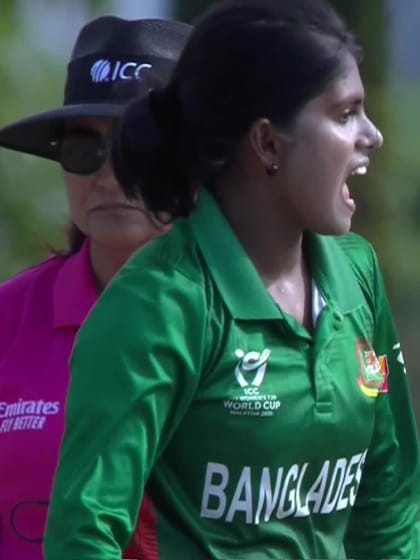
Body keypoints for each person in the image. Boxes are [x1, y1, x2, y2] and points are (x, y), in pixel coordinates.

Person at [44, 0, 420, 559]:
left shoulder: (356, 273)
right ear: (267, 143)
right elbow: (85, 534)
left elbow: (387, 508)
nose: (372, 136)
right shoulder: (159, 303)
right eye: (344, 115)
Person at [0, 15, 191, 560]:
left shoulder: (276, 317)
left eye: (140, 144)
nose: (110, 174)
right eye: (85, 148)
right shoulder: (7, 319)